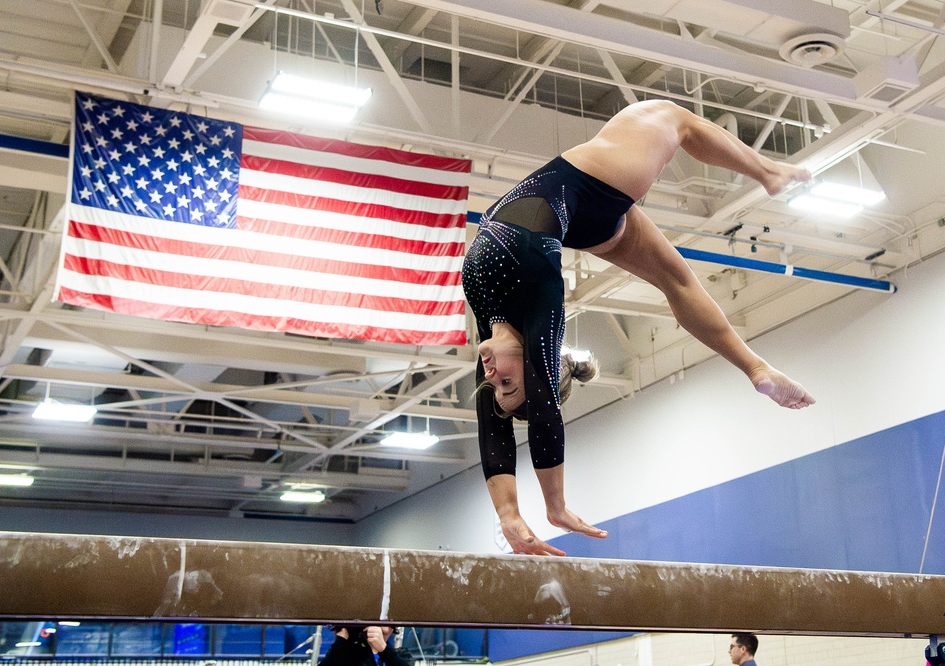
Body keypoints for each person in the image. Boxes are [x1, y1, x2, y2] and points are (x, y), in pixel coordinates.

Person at [462, 99, 816, 557]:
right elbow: (544, 405)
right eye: (508, 381)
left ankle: (755, 369)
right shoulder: (537, 292)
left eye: (496, 384)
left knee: (676, 280)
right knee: (674, 117)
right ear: (537, 365)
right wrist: (556, 506)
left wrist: (509, 514)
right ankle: (769, 174)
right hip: (593, 183)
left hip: (575, 216)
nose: (490, 374)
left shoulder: (490, 325)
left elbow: (491, 426)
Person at [319, 624, 412, 666]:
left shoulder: (400, 655)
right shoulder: (346, 655)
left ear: (392, 629)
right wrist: (341, 643)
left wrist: (385, 650)